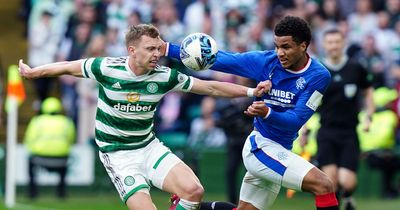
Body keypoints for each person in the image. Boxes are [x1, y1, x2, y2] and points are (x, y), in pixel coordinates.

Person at [19, 24, 270, 210]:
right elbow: (67, 66)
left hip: (148, 147)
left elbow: (211, 87)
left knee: (194, 191)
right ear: (131, 50)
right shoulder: (106, 68)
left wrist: (250, 91)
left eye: (158, 48)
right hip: (118, 154)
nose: (156, 54)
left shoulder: (164, 76)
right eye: (150, 49)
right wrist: (34, 72)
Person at [165, 16, 339, 210]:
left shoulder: (318, 76)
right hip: (260, 147)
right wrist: (165, 48)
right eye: (277, 46)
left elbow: (295, 121)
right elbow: (220, 59)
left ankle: (186, 206)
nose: (280, 53)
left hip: (281, 149)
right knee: (324, 185)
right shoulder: (265, 61)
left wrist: (267, 112)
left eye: (286, 47)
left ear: (303, 46)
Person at [301, 29, 375, 210]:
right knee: (330, 182)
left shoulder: (356, 68)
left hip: (349, 132)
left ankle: (348, 197)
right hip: (326, 131)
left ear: (343, 43)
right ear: (325, 45)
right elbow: (305, 102)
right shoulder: (318, 71)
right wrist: (303, 129)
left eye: (337, 42)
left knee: (347, 182)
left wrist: (369, 116)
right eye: (330, 42)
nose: (334, 45)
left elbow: (368, 91)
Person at [24, 97, 75, 198]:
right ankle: (61, 193)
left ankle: (32, 193)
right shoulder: (67, 122)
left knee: (30, 163)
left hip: (39, 159)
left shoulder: (37, 121)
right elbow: (71, 139)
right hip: (61, 160)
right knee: (63, 169)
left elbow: (29, 139)